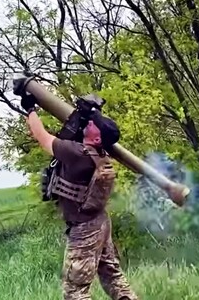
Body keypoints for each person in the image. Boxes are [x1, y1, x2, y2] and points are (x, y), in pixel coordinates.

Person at [19, 93, 139, 300]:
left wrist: (30, 109)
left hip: (84, 229)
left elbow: (42, 137)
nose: (90, 123)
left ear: (97, 138)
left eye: (94, 124)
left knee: (75, 291)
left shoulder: (76, 153)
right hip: (100, 223)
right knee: (113, 277)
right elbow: (68, 136)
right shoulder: (99, 155)